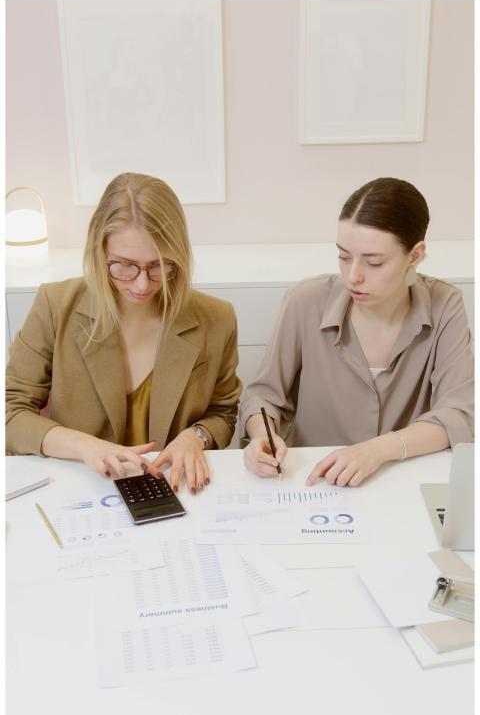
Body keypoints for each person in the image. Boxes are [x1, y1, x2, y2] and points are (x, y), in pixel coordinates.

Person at [6, 173, 241, 493]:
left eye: (159, 265)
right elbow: (11, 413)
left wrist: (195, 436)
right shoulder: (55, 305)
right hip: (79, 488)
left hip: (174, 487)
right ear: (99, 251)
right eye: (124, 265)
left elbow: (223, 412)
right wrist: (84, 446)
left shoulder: (217, 317)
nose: (142, 284)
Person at [241, 177, 474, 487]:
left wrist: (378, 450)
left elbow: (459, 415)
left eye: (374, 262)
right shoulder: (305, 301)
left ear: (415, 256)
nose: (353, 276)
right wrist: (261, 436)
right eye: (344, 256)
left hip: (403, 483)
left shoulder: (445, 305)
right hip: (314, 484)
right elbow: (263, 395)